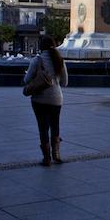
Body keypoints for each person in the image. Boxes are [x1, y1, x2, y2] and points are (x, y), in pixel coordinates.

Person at [24, 35, 68, 166]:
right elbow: (65, 83)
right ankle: (57, 155)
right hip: (57, 98)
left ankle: (47, 158)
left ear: (41, 47)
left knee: (43, 128)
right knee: (55, 126)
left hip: (39, 99)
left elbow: (26, 80)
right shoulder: (60, 60)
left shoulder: (37, 60)